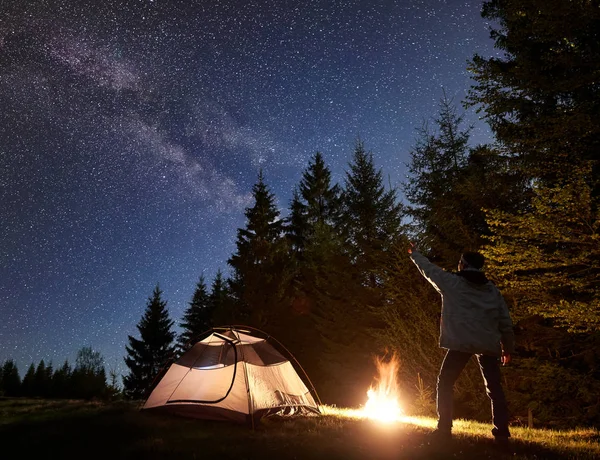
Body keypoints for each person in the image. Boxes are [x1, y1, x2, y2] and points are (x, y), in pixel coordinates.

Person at [408, 243, 515, 443]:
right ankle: (502, 434)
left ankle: (444, 429)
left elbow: (429, 270)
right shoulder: (492, 291)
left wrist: (414, 254)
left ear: (463, 265)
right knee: (495, 388)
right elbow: (505, 322)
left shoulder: (453, 283)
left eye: (459, 263)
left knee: (446, 382)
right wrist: (507, 348)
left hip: (461, 342)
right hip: (488, 343)